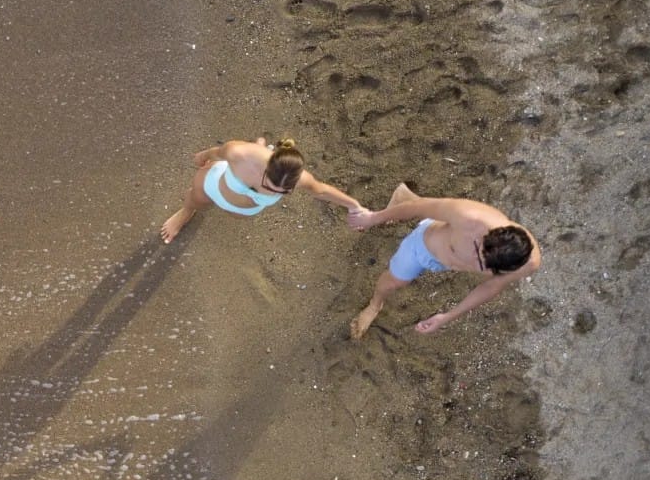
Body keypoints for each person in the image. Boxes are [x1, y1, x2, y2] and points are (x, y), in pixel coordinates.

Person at [346, 183, 541, 338]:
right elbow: (419, 208)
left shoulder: (528, 265)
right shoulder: (469, 217)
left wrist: (447, 316)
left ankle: (404, 196)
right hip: (423, 246)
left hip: (444, 261)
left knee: (426, 209)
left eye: (484, 266)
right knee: (395, 281)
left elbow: (492, 286)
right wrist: (373, 218)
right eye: (477, 249)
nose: (474, 261)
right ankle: (375, 305)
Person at [159, 137, 367, 243]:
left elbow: (321, 191)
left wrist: (354, 205)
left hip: (242, 209)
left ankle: (260, 143)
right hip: (212, 185)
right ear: (265, 168)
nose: (274, 191)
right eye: (270, 185)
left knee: (235, 215)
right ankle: (185, 213)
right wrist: (202, 157)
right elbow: (215, 152)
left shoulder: (300, 179)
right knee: (196, 200)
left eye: (283, 191)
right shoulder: (239, 153)